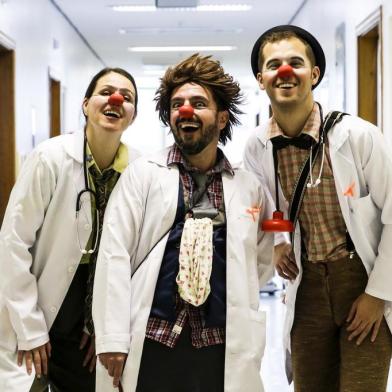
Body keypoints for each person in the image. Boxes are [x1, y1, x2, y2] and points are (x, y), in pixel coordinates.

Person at [92, 53, 276, 392]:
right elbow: (113, 254)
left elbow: (259, 261)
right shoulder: (143, 175)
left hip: (221, 343)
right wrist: (113, 337)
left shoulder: (248, 187)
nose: (185, 111)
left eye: (198, 103)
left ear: (221, 119)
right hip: (155, 339)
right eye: (177, 104)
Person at [244, 24, 392, 392]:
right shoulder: (257, 147)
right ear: (261, 79)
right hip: (306, 284)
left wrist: (377, 295)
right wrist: (280, 243)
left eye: (296, 62)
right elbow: (266, 206)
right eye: (274, 64)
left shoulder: (358, 137)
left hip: (362, 282)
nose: (285, 71)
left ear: (314, 74)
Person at [0, 67, 140, 392]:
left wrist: (109, 329)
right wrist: (30, 328)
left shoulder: (139, 171)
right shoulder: (50, 158)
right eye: (106, 92)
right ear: (85, 104)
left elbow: (137, 259)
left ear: (133, 116)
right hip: (39, 308)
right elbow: (13, 243)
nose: (116, 99)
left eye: (127, 97)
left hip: (90, 322)